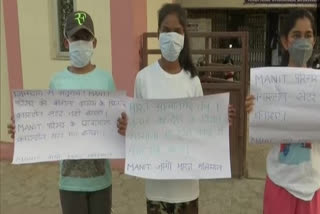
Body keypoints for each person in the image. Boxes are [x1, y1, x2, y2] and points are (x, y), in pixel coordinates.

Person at [117, 3, 235, 214]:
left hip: (187, 189)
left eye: (177, 31)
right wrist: (129, 128)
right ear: (158, 33)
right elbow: (139, 127)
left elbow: (202, 128)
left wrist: (218, 119)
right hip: (156, 189)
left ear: (184, 35)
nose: (172, 35)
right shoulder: (144, 78)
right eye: (166, 30)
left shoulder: (192, 81)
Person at [8, 11, 116, 214]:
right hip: (70, 181)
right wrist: (25, 131)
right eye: (76, 37)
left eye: (86, 38)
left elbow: (114, 123)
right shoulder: (57, 82)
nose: (81, 42)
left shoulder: (106, 80)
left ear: (95, 43)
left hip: (101, 179)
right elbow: (49, 123)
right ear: (66, 42)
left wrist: (123, 126)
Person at [245, 9, 320, 214]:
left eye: (308, 35)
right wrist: (252, 110)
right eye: (296, 35)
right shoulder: (267, 86)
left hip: (312, 185)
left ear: (314, 41)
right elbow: (261, 127)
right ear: (285, 42)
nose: (303, 41)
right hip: (280, 181)